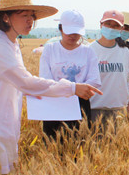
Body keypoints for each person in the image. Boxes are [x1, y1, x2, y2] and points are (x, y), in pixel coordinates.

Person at [0, 0, 101, 175]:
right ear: (6, 17)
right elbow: (26, 82)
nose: (30, 21)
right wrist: (72, 88)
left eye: (32, 16)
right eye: (24, 16)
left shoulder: (9, 43)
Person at [39, 10, 101, 141]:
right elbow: (45, 80)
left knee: (79, 146)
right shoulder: (50, 49)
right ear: (60, 28)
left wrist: (75, 90)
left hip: (80, 105)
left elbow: (94, 80)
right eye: (69, 31)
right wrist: (74, 88)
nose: (73, 35)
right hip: (54, 104)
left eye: (77, 32)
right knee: (52, 145)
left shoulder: (88, 51)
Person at [89, 10, 129, 126]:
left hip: (119, 110)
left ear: (121, 28)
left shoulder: (124, 51)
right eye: (108, 24)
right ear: (101, 24)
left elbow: (128, 80)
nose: (111, 28)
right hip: (95, 110)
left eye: (116, 25)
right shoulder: (89, 50)